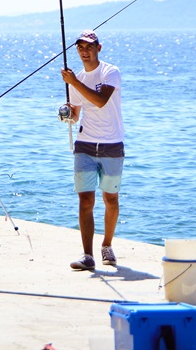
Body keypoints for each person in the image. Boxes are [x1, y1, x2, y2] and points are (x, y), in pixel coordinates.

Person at [60, 29, 124, 271]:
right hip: (85, 145)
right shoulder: (75, 79)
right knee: (85, 200)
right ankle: (87, 255)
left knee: (110, 198)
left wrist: (74, 83)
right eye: (80, 48)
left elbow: (100, 101)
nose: (84, 51)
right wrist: (68, 114)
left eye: (89, 47)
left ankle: (107, 245)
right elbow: (76, 114)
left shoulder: (110, 72)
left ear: (99, 48)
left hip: (112, 144)